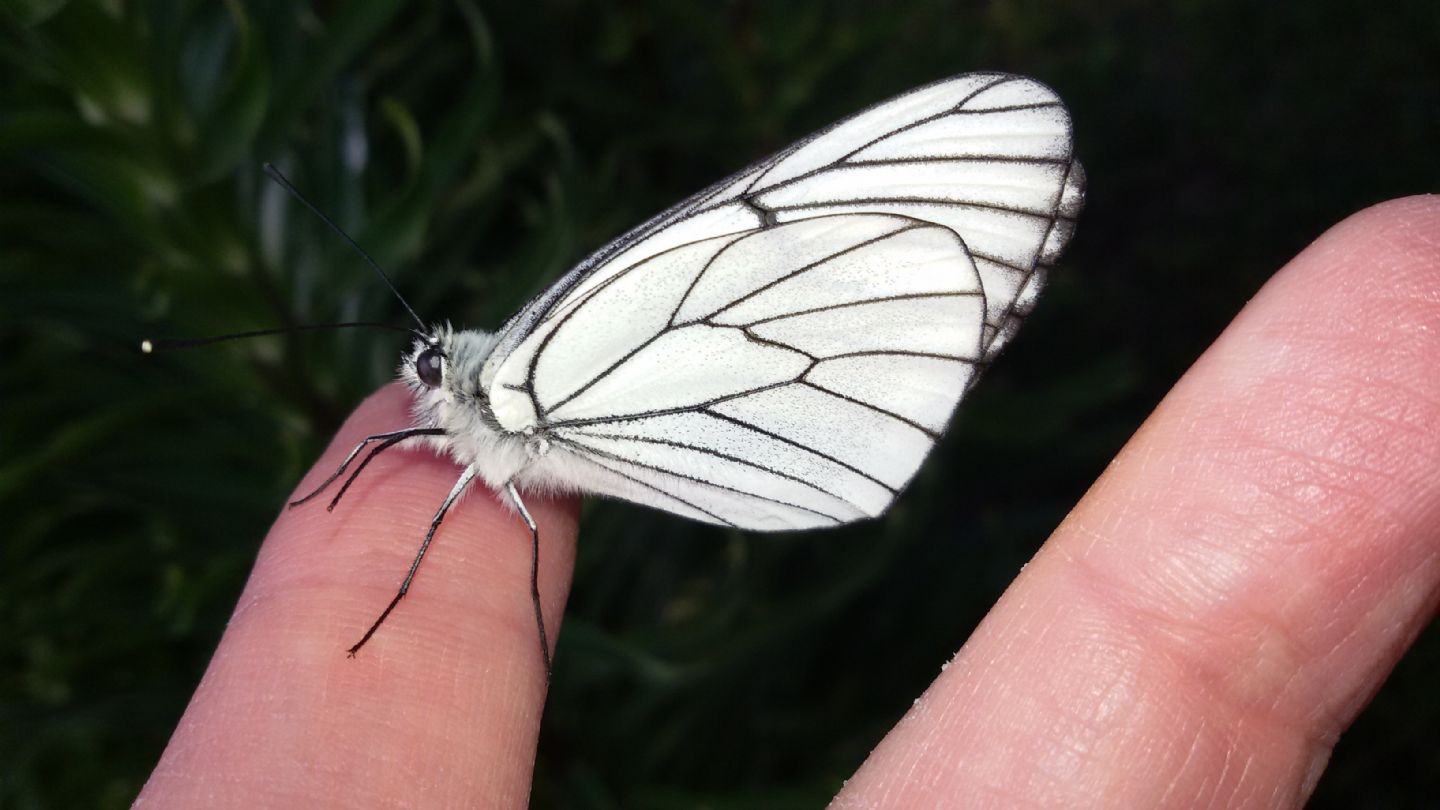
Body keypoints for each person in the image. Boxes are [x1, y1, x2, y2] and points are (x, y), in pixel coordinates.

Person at [135, 197, 1440, 807]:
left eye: (422, 374)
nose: (417, 391)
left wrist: (384, 464)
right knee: (432, 483)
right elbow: (433, 451)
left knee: (452, 507)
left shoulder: (513, 388)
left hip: (792, 382)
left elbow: (460, 465)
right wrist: (378, 454)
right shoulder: (484, 411)